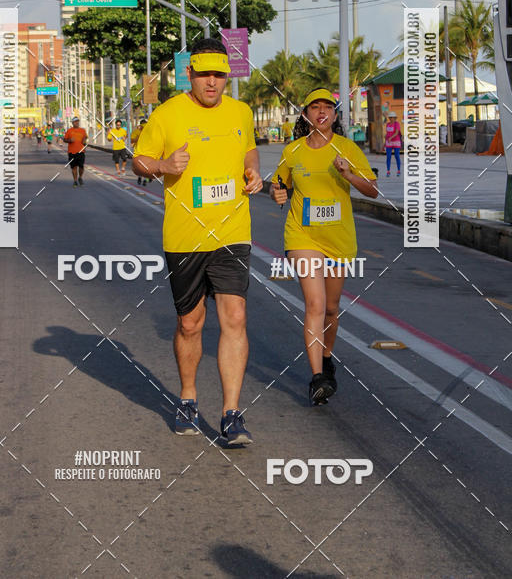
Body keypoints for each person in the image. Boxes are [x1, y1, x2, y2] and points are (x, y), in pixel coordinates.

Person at [133, 38, 263, 446]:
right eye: (205, 74)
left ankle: (231, 414)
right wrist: (163, 165)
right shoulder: (168, 113)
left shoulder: (241, 111)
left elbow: (249, 150)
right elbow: (141, 159)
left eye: (219, 75)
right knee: (190, 324)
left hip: (232, 231)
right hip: (185, 237)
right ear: (188, 73)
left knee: (235, 318)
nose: (212, 82)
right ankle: (188, 397)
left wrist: (253, 172)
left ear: (227, 76)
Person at [270, 88, 378, 405]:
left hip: (338, 240)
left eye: (327, 107)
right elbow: (280, 185)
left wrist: (348, 173)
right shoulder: (293, 151)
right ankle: (318, 377)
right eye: (314, 107)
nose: (321, 112)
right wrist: (278, 194)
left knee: (331, 308)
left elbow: (372, 190)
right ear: (305, 115)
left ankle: (327, 358)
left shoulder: (347, 149)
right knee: (315, 304)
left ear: (334, 115)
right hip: (302, 237)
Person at [63, 116, 87, 186]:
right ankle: (75, 180)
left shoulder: (83, 130)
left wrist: (84, 141)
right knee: (74, 167)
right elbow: (65, 139)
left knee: (81, 166)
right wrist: (69, 140)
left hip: (81, 151)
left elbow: (85, 139)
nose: (77, 123)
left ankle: (80, 177)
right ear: (73, 123)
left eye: (78, 121)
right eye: (75, 121)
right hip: (72, 152)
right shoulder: (69, 131)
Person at [131, 119, 151, 185]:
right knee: (142, 165)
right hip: (140, 151)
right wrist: (138, 138)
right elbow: (132, 140)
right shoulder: (137, 132)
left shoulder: (149, 132)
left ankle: (145, 179)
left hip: (146, 151)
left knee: (145, 165)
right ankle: (142, 177)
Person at [384, 111, 402, 177]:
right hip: (389, 142)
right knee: (388, 157)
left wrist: (391, 138)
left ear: (395, 118)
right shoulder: (388, 124)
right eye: (390, 117)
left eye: (393, 117)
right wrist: (385, 140)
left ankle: (399, 170)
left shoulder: (397, 124)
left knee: (396, 155)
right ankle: (388, 171)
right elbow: (387, 133)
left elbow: (397, 132)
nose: (391, 118)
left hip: (396, 141)